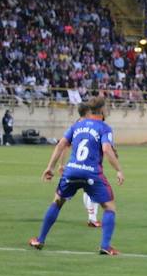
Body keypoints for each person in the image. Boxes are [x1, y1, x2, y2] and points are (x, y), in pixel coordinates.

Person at [29, 97, 124, 255]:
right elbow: (107, 150)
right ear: (101, 110)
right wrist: (119, 170)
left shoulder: (77, 125)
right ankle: (105, 246)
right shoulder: (104, 128)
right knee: (109, 207)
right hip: (91, 173)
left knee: (57, 202)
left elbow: (61, 145)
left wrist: (50, 167)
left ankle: (40, 239)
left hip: (71, 170)